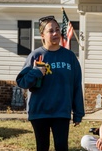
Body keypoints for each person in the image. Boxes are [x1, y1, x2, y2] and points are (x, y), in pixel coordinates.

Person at [16, 15, 85, 151]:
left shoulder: (69, 57)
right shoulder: (35, 56)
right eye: (50, 31)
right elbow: (22, 82)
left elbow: (77, 85)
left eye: (57, 30)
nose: (55, 33)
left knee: (61, 147)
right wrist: (35, 71)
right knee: (42, 147)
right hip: (39, 111)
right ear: (42, 35)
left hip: (61, 111)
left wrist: (78, 112)